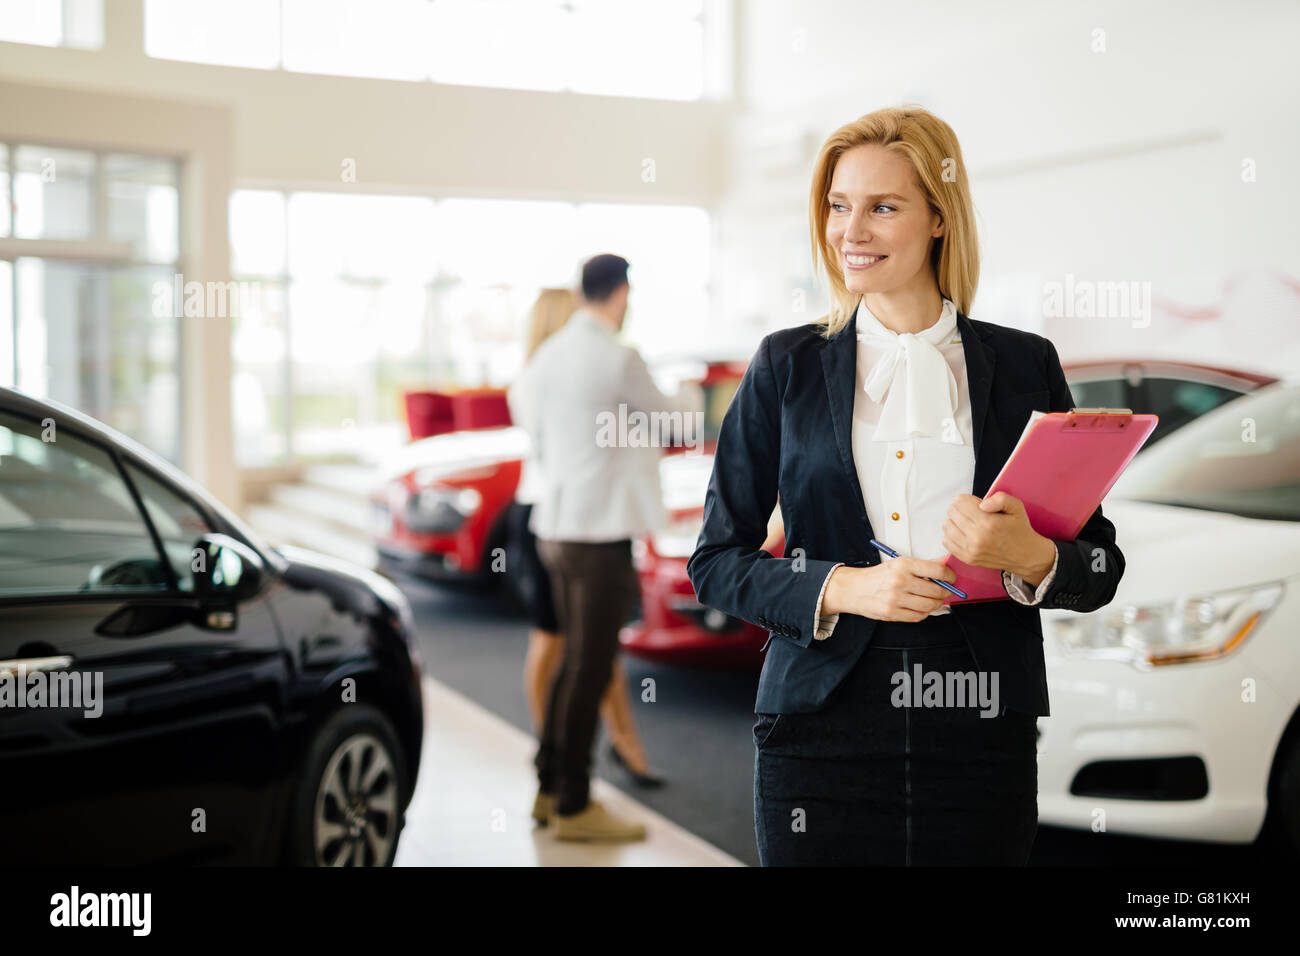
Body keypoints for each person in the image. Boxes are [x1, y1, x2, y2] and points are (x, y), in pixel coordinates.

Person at [687, 106, 1126, 866]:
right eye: (838, 205)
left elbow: (1100, 570)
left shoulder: (1026, 366)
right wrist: (847, 589)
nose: (851, 231)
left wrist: (1029, 555)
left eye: (883, 207)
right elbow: (716, 561)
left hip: (980, 731)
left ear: (937, 220)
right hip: (819, 732)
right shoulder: (784, 365)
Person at [509, 254, 701, 841]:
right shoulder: (618, 358)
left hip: (555, 529)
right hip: (599, 539)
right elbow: (678, 426)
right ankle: (574, 804)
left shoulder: (546, 357)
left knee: (572, 663)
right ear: (620, 294)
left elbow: (536, 428)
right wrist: (691, 393)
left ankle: (547, 787)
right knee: (590, 669)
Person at [507, 287, 662, 789]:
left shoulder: (544, 367)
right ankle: (565, 784)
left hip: (550, 521)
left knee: (580, 655)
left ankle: (563, 766)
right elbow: (660, 418)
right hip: (579, 527)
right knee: (579, 657)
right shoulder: (594, 361)